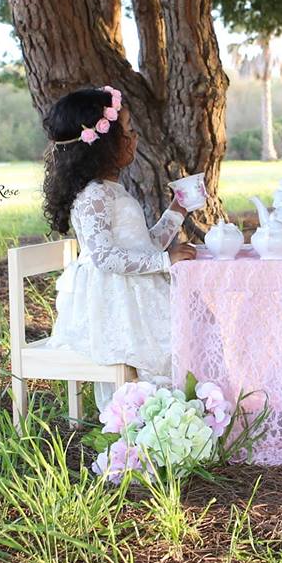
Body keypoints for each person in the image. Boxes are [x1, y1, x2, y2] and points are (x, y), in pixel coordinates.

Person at [41, 85, 198, 410]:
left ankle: (173, 413)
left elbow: (143, 246)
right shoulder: (95, 195)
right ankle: (152, 416)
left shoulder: (111, 190)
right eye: (127, 130)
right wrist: (165, 261)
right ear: (104, 143)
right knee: (163, 347)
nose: (134, 136)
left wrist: (177, 211)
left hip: (133, 286)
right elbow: (105, 257)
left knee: (182, 336)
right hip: (116, 296)